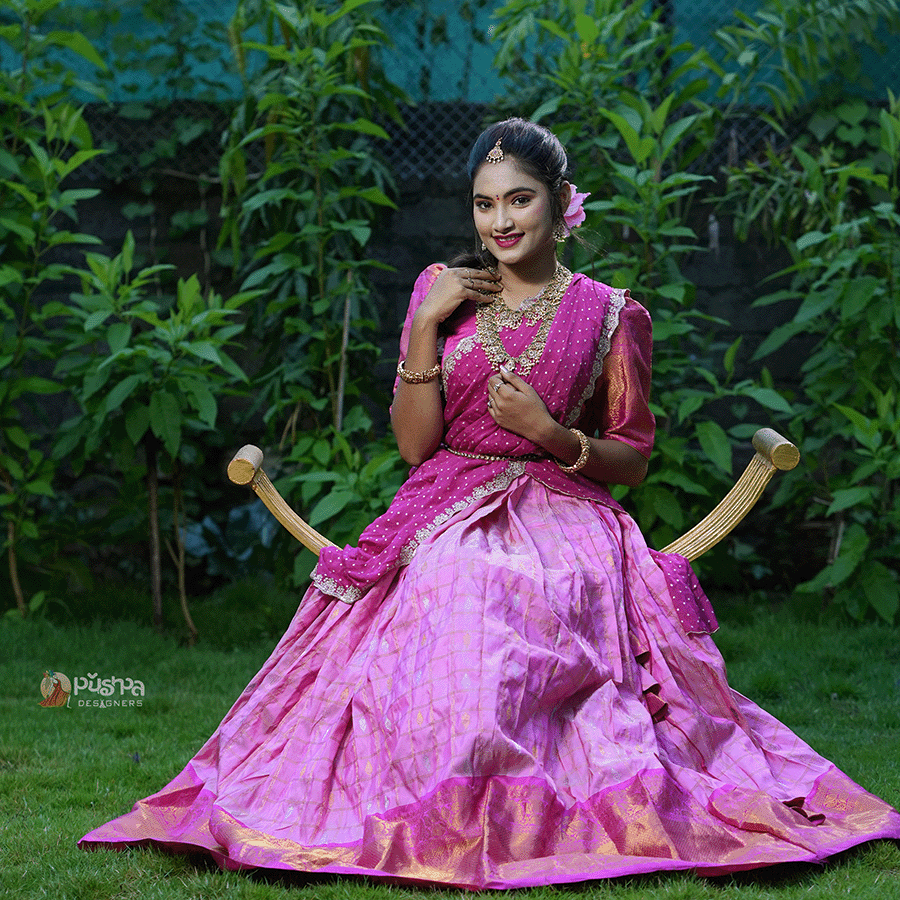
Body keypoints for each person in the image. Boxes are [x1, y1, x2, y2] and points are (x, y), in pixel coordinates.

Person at [79, 118, 900, 889]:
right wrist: (427, 327)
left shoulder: (613, 316)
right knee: (458, 576)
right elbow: (413, 447)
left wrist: (548, 431)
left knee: (527, 586)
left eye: (519, 199)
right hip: (447, 496)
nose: (500, 221)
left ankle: (529, 798)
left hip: (566, 506)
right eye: (484, 203)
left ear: (559, 202)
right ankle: (441, 795)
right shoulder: (441, 292)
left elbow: (632, 460)